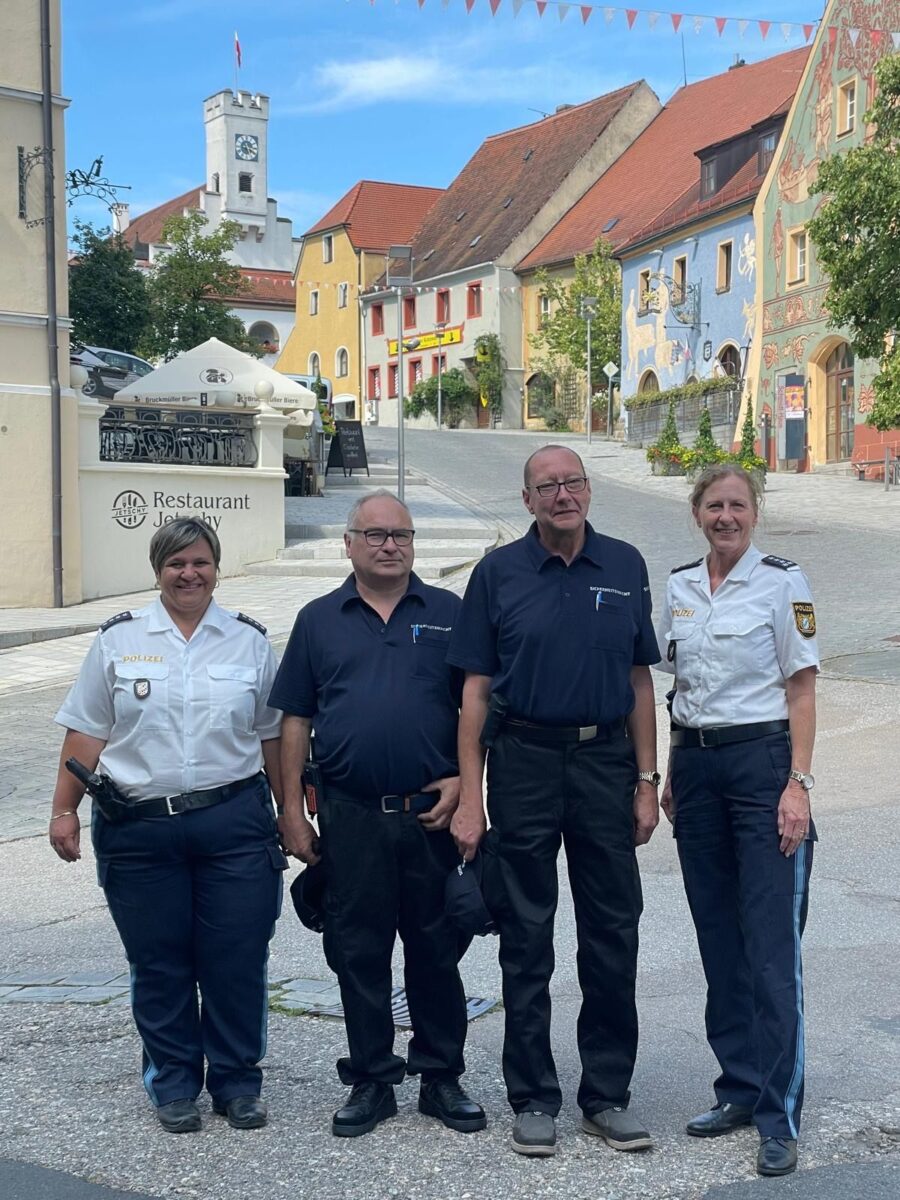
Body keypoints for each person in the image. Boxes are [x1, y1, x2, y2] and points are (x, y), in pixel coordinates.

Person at [448, 445, 661, 1158]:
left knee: (612, 932)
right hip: (525, 762)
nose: (563, 494)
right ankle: (533, 1096)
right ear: (528, 499)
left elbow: (638, 682)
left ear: (589, 490)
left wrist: (646, 781)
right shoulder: (497, 573)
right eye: (548, 486)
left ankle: (606, 1095)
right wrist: (471, 797)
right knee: (525, 936)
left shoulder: (625, 565)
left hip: (605, 762)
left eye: (572, 482)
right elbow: (475, 690)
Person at [49, 518, 286, 1134]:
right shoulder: (118, 642)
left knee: (236, 958)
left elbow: (271, 739)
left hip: (233, 822)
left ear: (217, 567)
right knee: (159, 962)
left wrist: (291, 815)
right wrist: (63, 808)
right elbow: (87, 730)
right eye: (176, 563)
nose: (190, 574)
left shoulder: (248, 642)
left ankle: (238, 1083)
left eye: (201, 562)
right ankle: (174, 1081)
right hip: (139, 827)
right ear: (158, 569)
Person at [270, 491, 485, 1139]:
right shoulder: (316, 620)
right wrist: (290, 811)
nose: (390, 544)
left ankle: (441, 1076)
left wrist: (464, 785)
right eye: (375, 534)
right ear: (349, 543)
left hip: (430, 816)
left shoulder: (449, 613)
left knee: (436, 949)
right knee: (357, 951)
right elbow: (295, 722)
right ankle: (371, 1079)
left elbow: (476, 713)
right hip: (351, 816)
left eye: (401, 534)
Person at [656, 463, 819, 1179]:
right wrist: (667, 769)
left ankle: (777, 1113)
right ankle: (738, 1087)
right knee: (719, 940)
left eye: (738, 505)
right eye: (714, 505)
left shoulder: (783, 583)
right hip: (695, 771)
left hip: (761, 768)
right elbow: (681, 687)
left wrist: (799, 785)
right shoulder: (681, 587)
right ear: (697, 514)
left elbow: (802, 687)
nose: (726, 516)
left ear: (755, 513)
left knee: (770, 948)